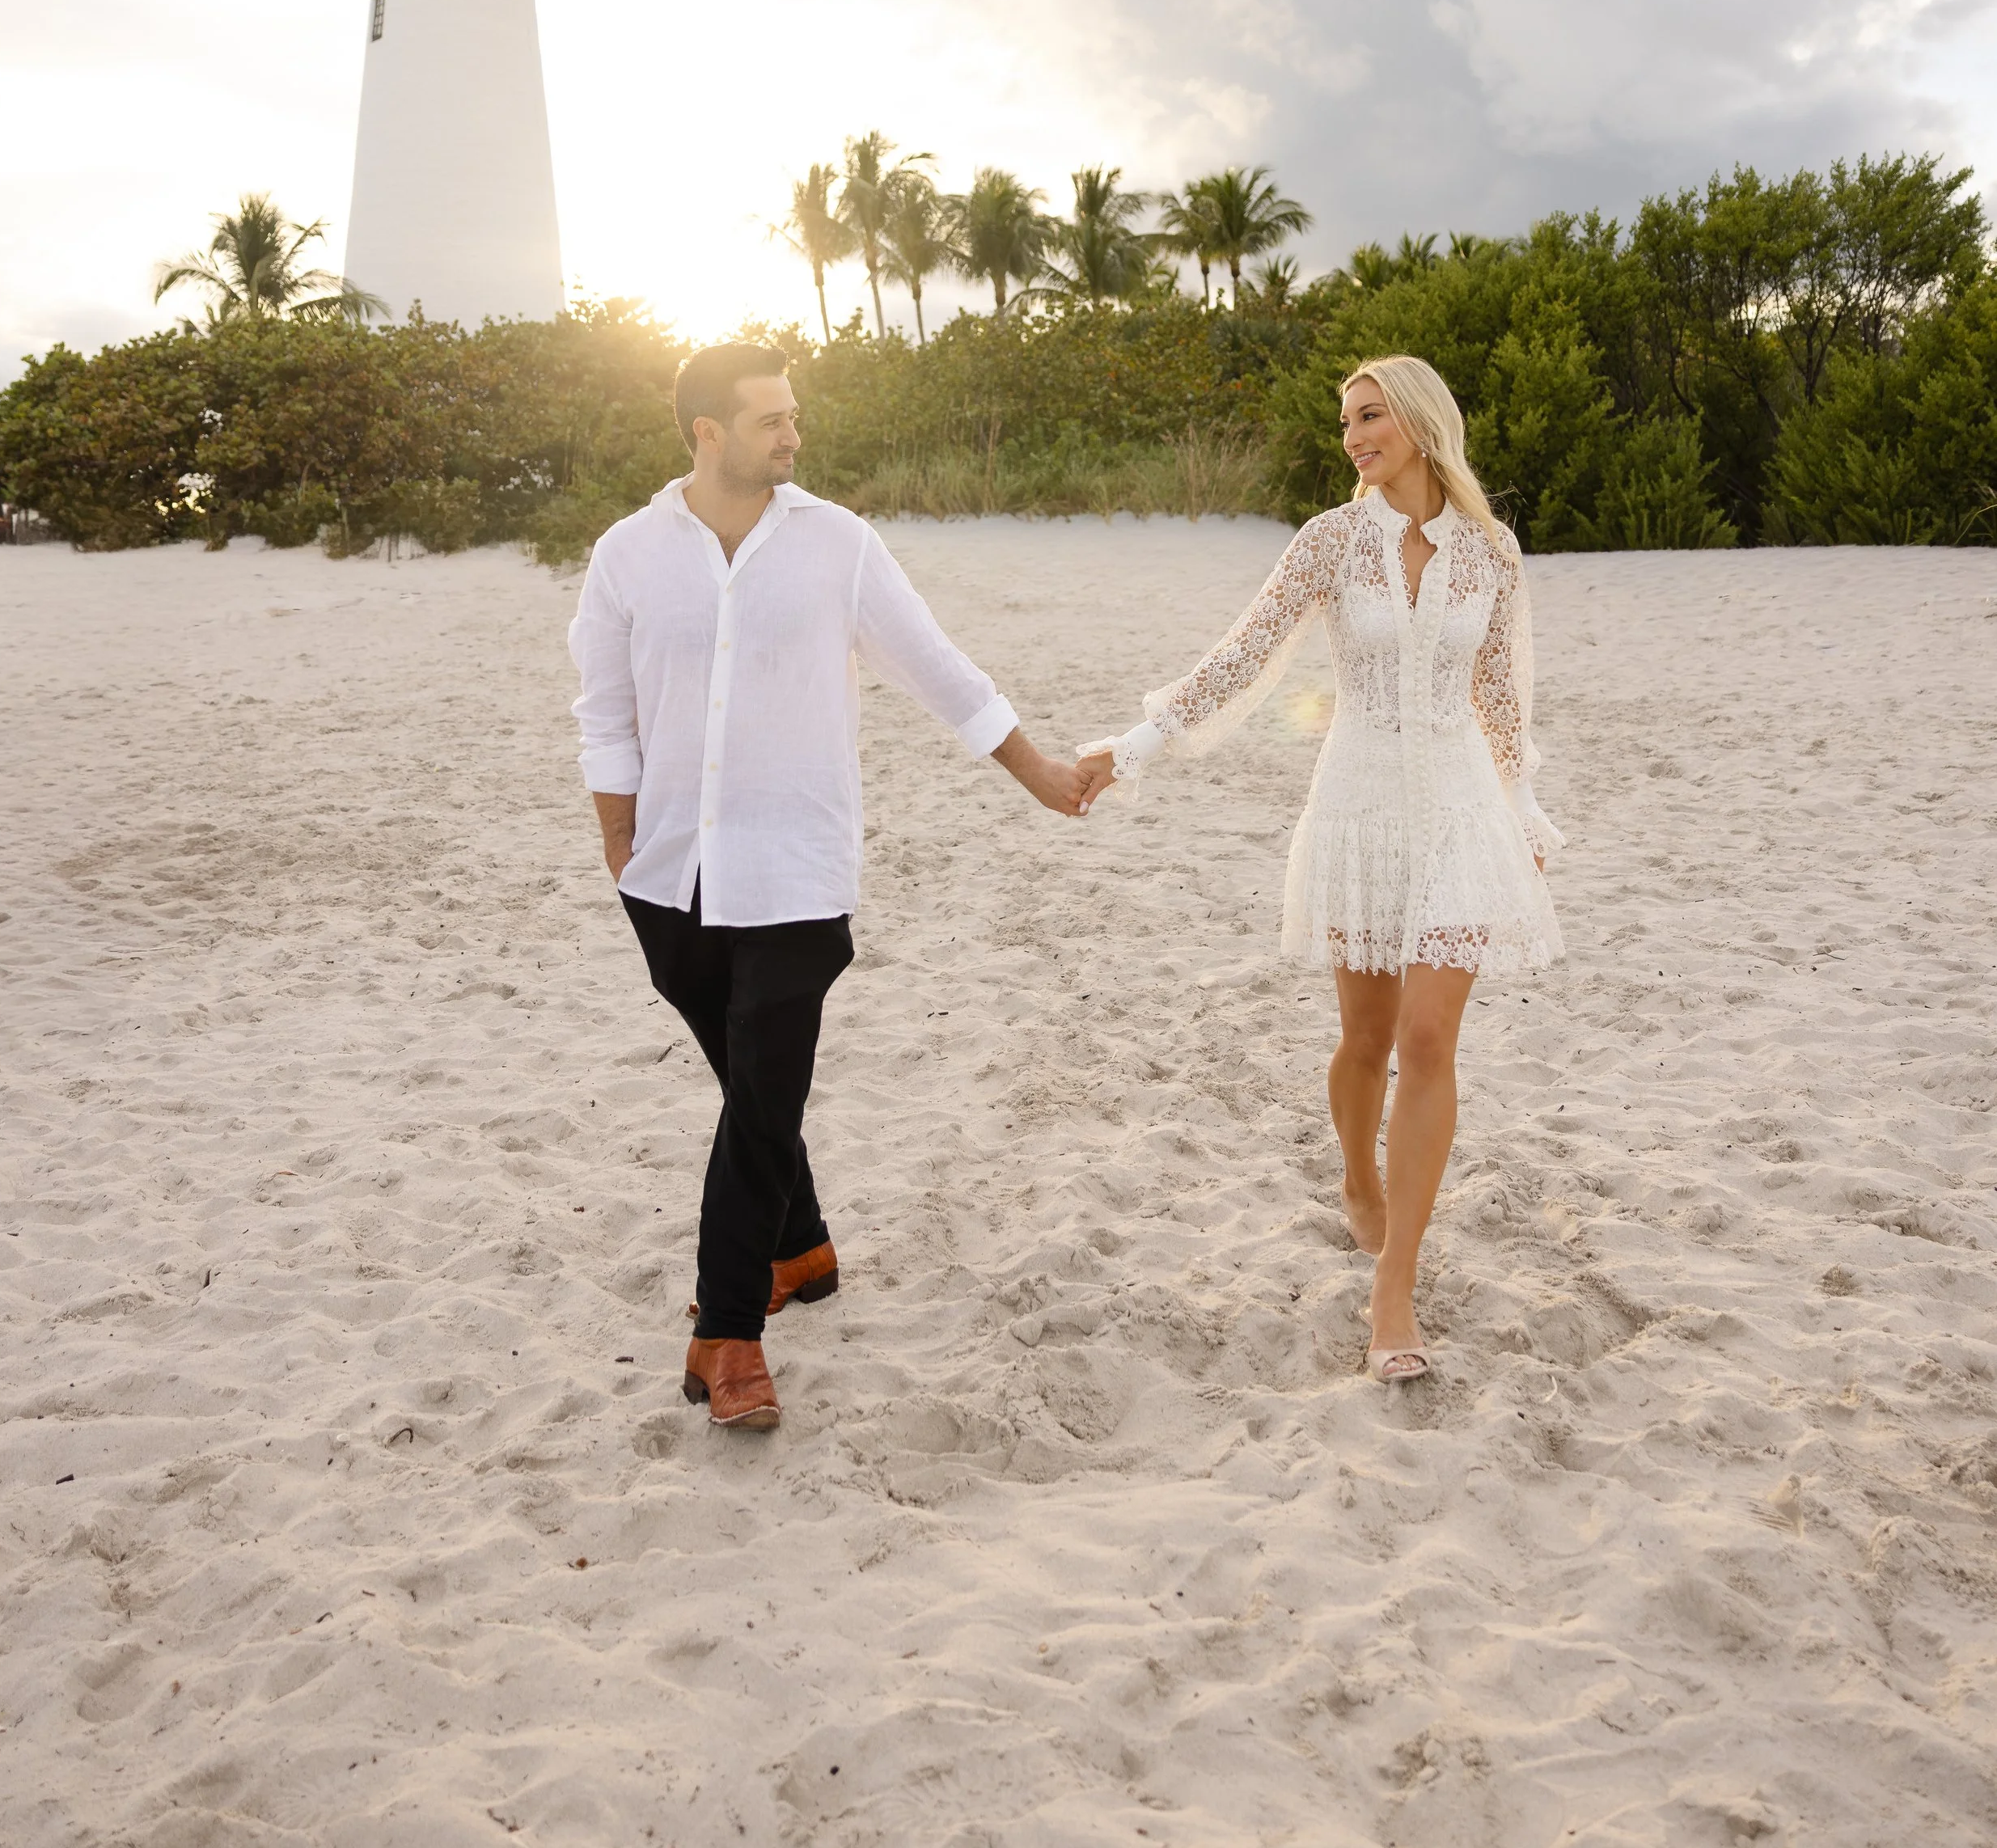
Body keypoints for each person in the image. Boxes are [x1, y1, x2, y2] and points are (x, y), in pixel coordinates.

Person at [569, 342, 1086, 1433]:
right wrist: (618, 835)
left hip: (798, 870)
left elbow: (936, 667)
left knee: (761, 1093)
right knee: (752, 1087)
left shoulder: (839, 545)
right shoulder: (626, 556)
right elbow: (604, 710)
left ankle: (726, 1336)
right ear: (708, 434)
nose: (793, 435)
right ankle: (798, 1248)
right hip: (668, 873)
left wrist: (1037, 771)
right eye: (770, 420)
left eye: (794, 416)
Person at [1073, 353, 1562, 1381]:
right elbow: (1245, 655)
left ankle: (1396, 1287)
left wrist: (1520, 811)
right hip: (1361, 808)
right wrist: (1136, 746)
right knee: (1367, 1037)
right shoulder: (1330, 543)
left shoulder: (1490, 551)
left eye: (1369, 415)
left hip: (1463, 811)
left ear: (1421, 423)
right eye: (1344, 422)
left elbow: (1502, 697)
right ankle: (1356, 1174)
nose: (1351, 437)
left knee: (1430, 1039)